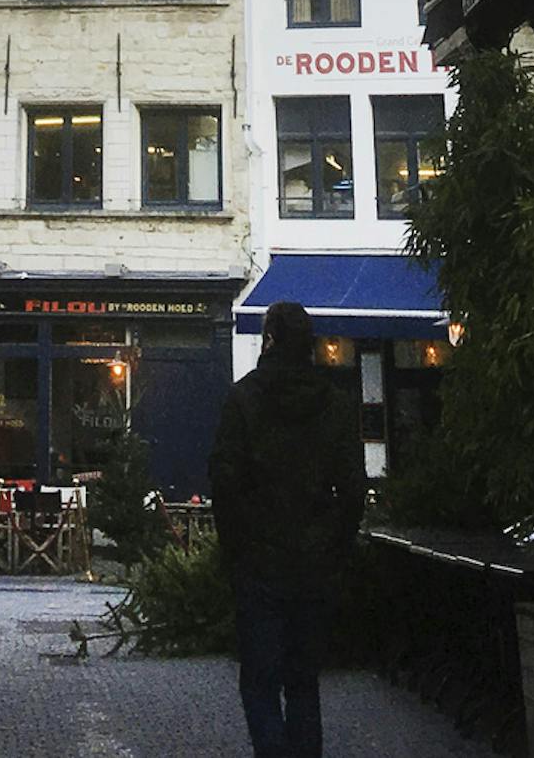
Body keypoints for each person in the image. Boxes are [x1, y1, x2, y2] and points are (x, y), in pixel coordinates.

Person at [208, 301, 368, 758]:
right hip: (314, 561)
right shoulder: (334, 404)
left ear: (270, 340)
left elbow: (225, 483)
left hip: (259, 560)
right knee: (303, 680)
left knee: (259, 681)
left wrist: (235, 551)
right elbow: (353, 489)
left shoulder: (244, 399)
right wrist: (336, 547)